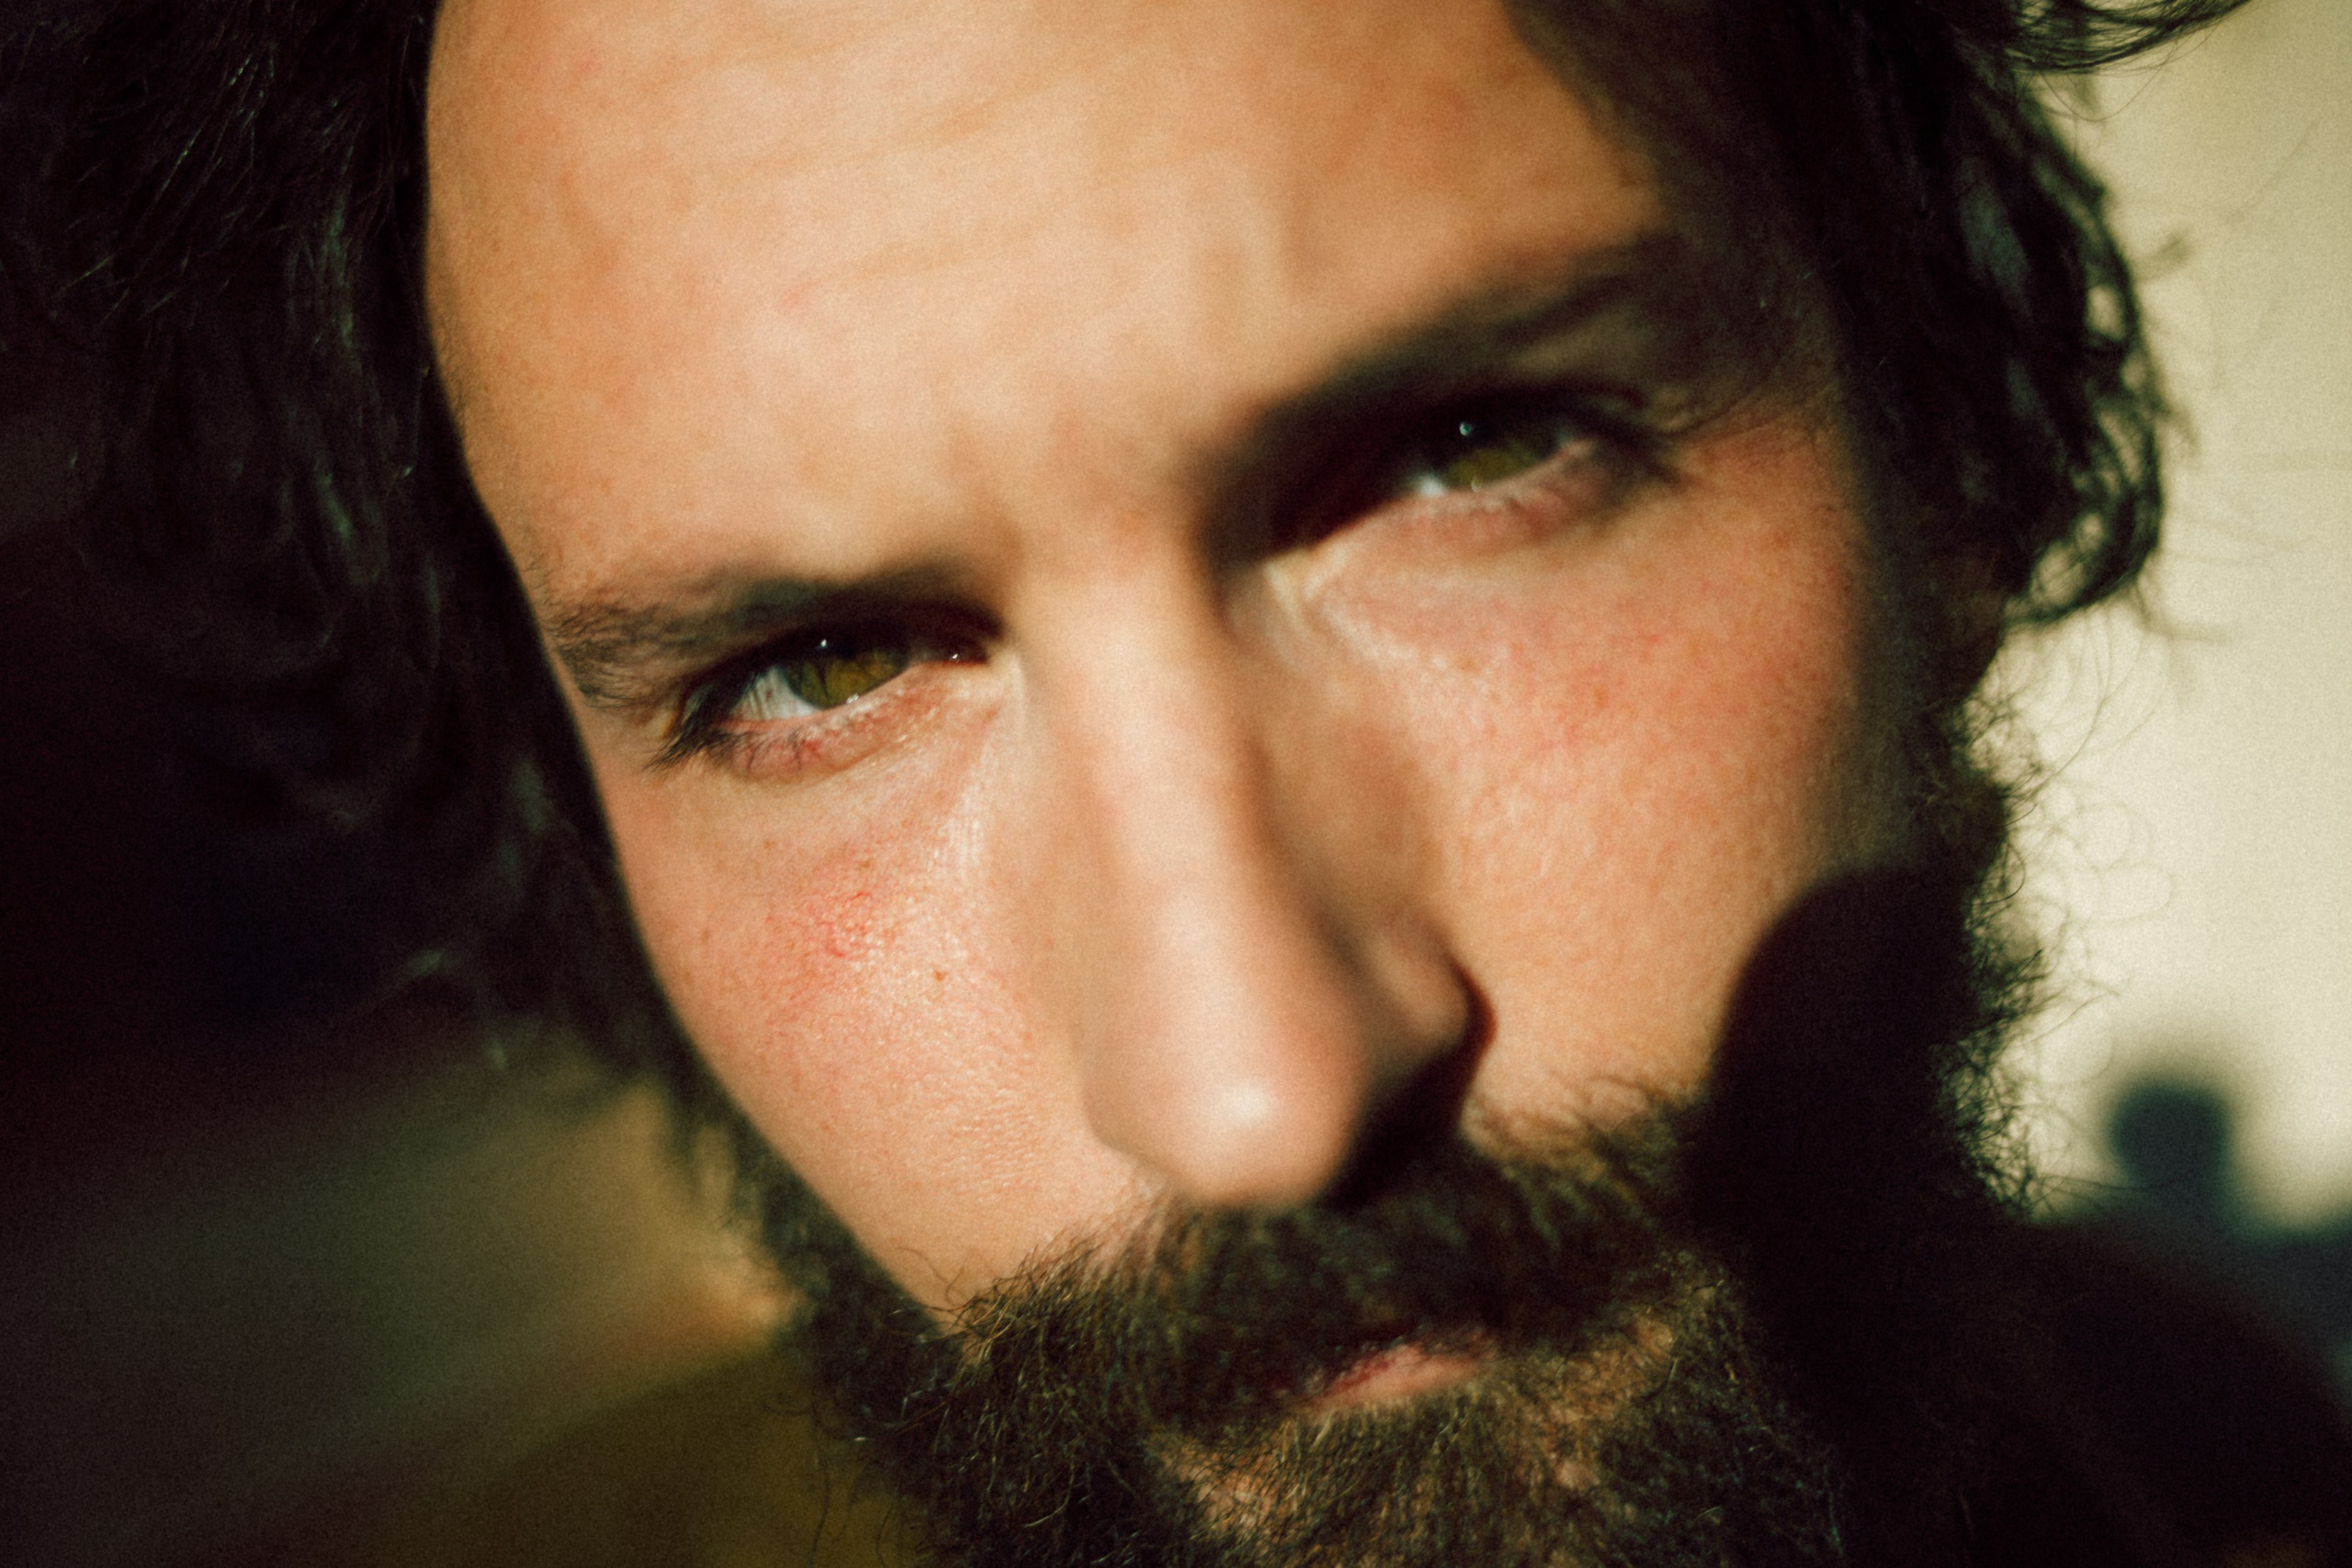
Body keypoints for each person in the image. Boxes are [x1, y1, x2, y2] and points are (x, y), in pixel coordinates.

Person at [6, 0, 2348, 1562]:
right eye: (815, 669)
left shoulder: (2230, 1446)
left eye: (1464, 452)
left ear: (1936, 433)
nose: (1257, 1092)